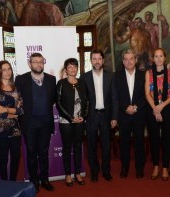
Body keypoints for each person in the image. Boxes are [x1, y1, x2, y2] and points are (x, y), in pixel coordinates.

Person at [15, 52, 57, 192]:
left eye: (41, 61)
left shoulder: (52, 79)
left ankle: (44, 179)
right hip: (30, 123)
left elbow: (53, 99)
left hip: (46, 122)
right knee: (32, 153)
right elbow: (18, 101)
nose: (38, 64)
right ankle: (34, 181)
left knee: (44, 153)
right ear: (29, 63)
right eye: (35, 61)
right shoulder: (21, 79)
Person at [80, 49, 118, 182]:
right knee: (91, 146)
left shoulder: (110, 76)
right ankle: (94, 171)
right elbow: (82, 99)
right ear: (91, 61)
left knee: (106, 145)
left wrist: (114, 117)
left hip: (106, 116)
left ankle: (106, 171)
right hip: (91, 116)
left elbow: (114, 98)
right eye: (94, 59)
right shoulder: (84, 77)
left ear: (103, 60)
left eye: (99, 59)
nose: (97, 61)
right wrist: (83, 116)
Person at [114, 49, 147, 179]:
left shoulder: (143, 75)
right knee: (124, 143)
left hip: (139, 115)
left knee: (139, 143)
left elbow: (146, 95)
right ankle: (124, 167)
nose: (129, 61)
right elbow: (115, 96)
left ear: (136, 60)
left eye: (131, 59)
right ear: (123, 61)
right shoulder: (117, 76)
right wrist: (125, 108)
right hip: (124, 115)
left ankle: (140, 168)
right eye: (126, 59)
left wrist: (136, 107)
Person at [145, 48, 170, 181]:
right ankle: (156, 166)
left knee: (166, 139)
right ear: (153, 59)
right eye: (156, 56)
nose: (158, 59)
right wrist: (155, 109)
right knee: (154, 140)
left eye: (161, 56)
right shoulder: (148, 73)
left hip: (167, 109)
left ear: (165, 58)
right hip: (152, 109)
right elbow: (147, 93)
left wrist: (161, 107)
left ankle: (164, 167)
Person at [56, 58, 89, 187]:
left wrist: (84, 116)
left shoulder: (82, 82)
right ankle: (68, 174)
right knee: (67, 147)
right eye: (70, 67)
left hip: (80, 120)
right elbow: (58, 103)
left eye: (75, 66)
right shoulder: (61, 83)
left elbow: (87, 101)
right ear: (66, 69)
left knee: (77, 147)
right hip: (66, 121)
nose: (73, 69)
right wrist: (70, 117)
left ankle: (78, 173)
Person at [0, 60, 23, 181]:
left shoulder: (16, 89)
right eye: (4, 69)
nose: (7, 72)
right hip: (0, 130)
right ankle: (4, 184)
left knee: (15, 158)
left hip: (15, 130)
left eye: (9, 69)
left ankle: (13, 182)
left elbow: (21, 111)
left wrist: (5, 109)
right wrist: (13, 112)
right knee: (3, 159)